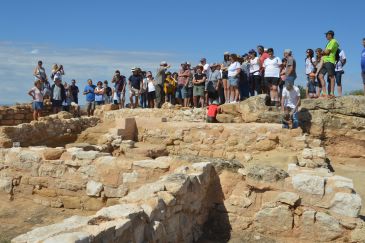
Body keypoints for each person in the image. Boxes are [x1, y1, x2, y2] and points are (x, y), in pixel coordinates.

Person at [318, 30, 339, 97]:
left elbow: (327, 52)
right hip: (325, 61)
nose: (326, 36)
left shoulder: (333, 41)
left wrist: (321, 52)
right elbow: (325, 52)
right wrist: (322, 52)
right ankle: (324, 93)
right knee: (320, 76)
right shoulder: (329, 42)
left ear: (330, 35)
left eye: (327, 35)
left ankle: (332, 93)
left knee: (331, 77)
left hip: (330, 61)